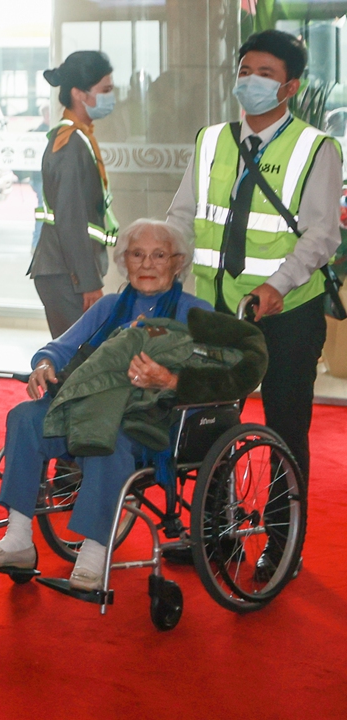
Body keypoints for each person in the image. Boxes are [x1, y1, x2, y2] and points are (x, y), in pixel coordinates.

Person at [165, 30, 341, 578]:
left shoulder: (316, 148)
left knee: (285, 429)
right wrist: (164, 261)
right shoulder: (212, 141)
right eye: (245, 70)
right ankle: (214, 535)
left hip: (287, 315)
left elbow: (319, 238)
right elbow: (183, 214)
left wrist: (278, 285)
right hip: (218, 313)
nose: (251, 81)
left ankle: (282, 546)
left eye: (265, 74)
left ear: (289, 86)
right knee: (213, 422)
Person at [0, 220, 218, 588]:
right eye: (137, 255)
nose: (147, 264)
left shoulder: (194, 312)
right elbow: (63, 345)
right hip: (90, 408)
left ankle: (93, 553)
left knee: (107, 435)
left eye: (158, 255)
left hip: (148, 421)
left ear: (177, 262)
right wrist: (45, 363)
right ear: (124, 261)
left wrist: (168, 380)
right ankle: (19, 538)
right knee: (24, 417)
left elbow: (214, 376)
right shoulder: (111, 306)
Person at [31, 51, 119, 338]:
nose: (111, 96)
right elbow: (70, 220)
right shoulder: (69, 145)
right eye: (105, 90)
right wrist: (88, 282)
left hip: (66, 271)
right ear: (79, 93)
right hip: (65, 274)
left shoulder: (79, 137)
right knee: (74, 362)